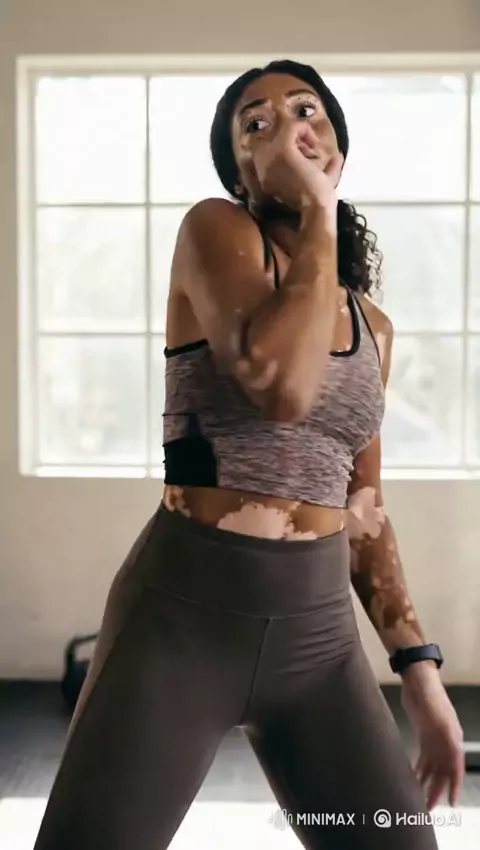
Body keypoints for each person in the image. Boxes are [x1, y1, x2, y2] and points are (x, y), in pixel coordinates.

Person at [34, 59, 464, 850]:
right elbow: (282, 388)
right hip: (183, 621)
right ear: (239, 175)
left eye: (306, 112)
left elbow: (363, 507)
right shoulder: (215, 230)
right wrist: (321, 210)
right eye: (256, 125)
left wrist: (420, 671)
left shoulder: (374, 327)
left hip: (319, 640)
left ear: (336, 150)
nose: (287, 130)